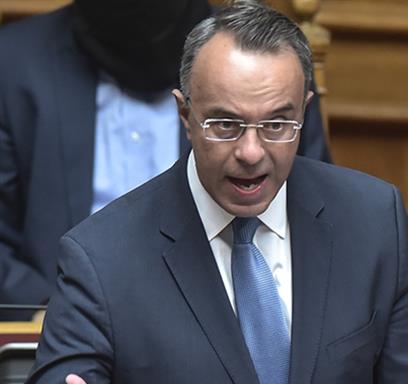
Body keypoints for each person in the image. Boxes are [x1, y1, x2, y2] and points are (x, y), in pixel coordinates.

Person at [10, 2, 408, 384]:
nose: (251, 152)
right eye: (224, 125)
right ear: (185, 114)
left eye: (277, 125)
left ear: (303, 112)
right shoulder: (100, 257)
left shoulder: (374, 220)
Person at [0, 0, 330, 319]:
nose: (250, 151)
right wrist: (47, 311)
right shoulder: (14, 63)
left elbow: (311, 215)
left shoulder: (263, 62)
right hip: (58, 323)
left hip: (226, 322)